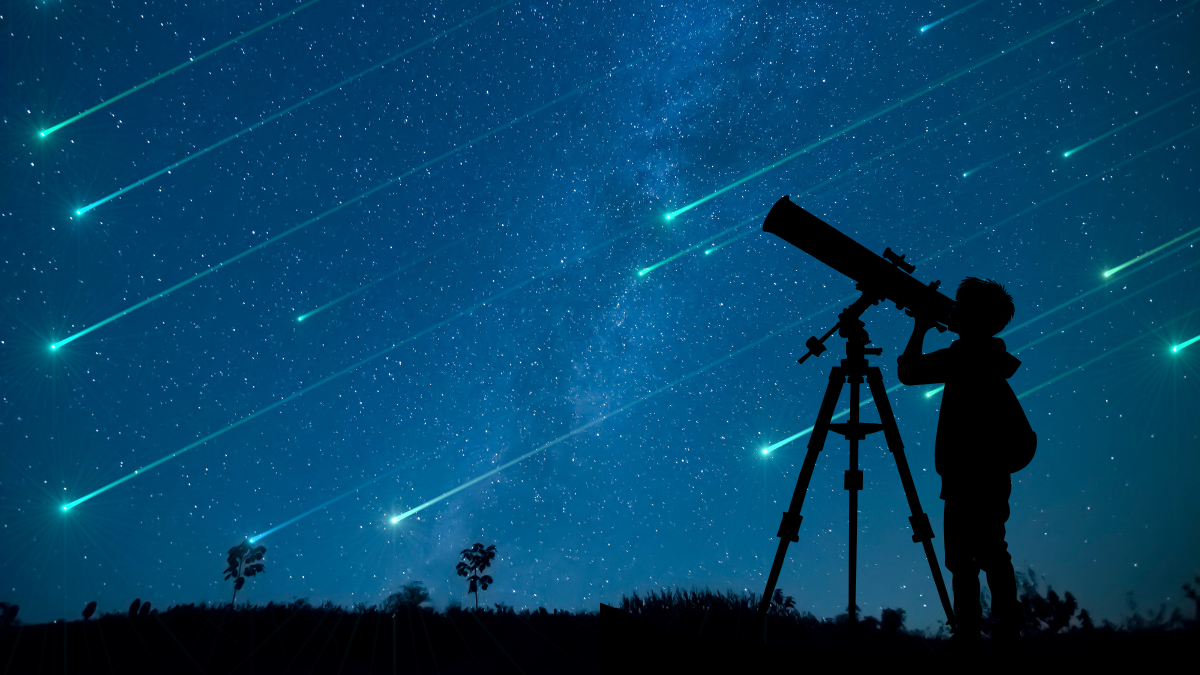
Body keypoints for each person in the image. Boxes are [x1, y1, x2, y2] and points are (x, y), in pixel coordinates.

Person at [897, 277, 1033, 650]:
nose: (954, 311)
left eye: (961, 307)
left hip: (968, 475)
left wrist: (921, 326)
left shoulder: (967, 356)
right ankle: (1002, 629)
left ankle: (973, 632)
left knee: (969, 556)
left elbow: (908, 371)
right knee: (987, 552)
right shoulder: (984, 355)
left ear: (975, 316)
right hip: (982, 475)